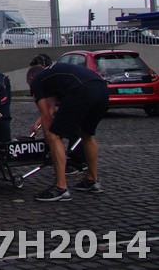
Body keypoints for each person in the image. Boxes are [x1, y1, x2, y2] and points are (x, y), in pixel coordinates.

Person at [26, 62, 108, 202]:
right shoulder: (52, 75)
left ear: (31, 79)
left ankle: (61, 188)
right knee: (87, 134)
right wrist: (38, 123)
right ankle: (92, 180)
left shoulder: (37, 82)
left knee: (54, 135)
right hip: (102, 89)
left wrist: (49, 144)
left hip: (82, 90)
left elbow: (46, 116)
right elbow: (50, 109)